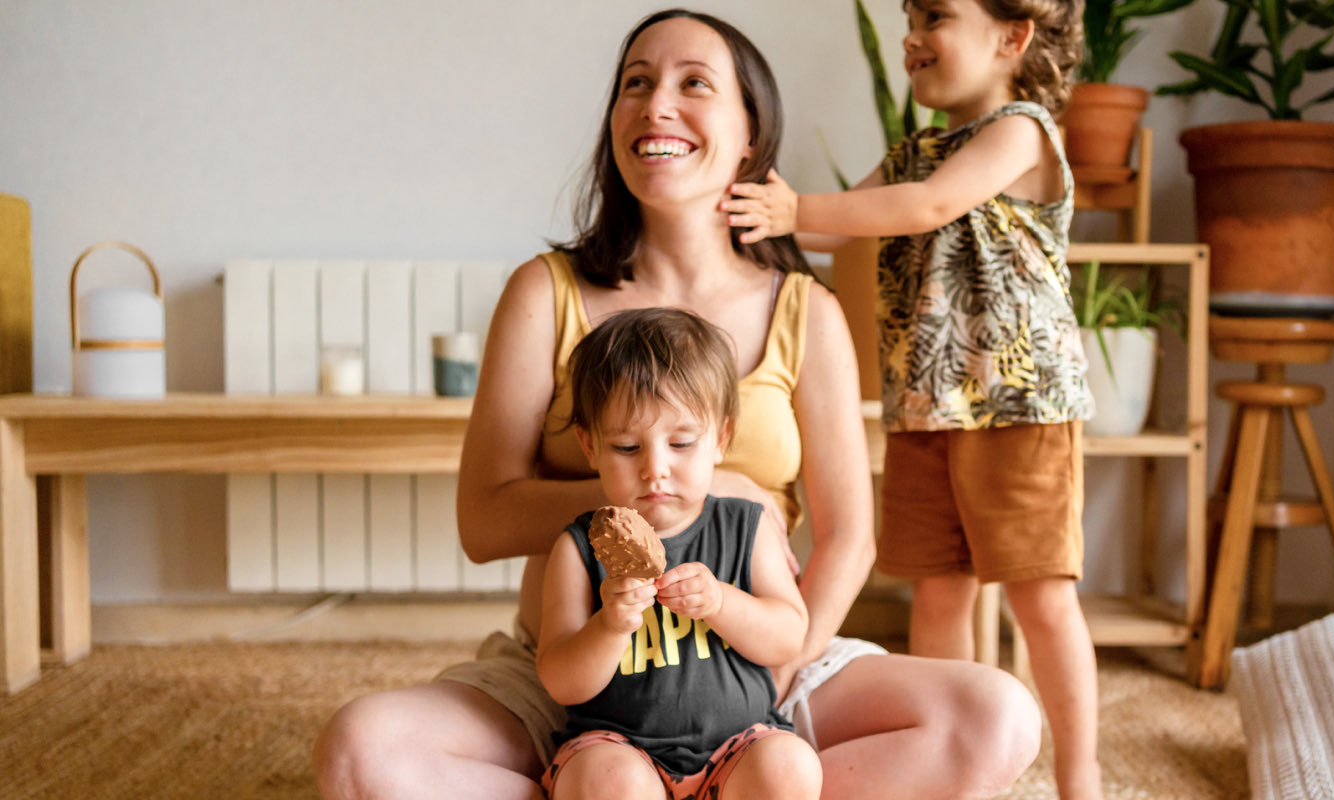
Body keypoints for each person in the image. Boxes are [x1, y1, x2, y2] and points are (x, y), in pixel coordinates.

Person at [313, 8, 1041, 800]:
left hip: (757, 659)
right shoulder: (544, 293)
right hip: (577, 674)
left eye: (694, 83)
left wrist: (759, 677)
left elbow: (848, 539)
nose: (656, 105)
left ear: (751, 133)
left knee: (998, 717)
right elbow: (483, 521)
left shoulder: (805, 310)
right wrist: (676, 496)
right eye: (635, 84)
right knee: (361, 752)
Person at [724, 0, 1101, 797]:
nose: (912, 35)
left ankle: (1082, 774)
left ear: (1011, 36)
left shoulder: (1021, 131)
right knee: (937, 589)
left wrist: (799, 208)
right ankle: (958, 748)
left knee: (1040, 596)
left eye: (936, 15)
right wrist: (757, 196)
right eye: (908, 16)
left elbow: (928, 207)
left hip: (1019, 405)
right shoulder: (912, 152)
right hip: (926, 410)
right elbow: (831, 231)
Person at [538, 307, 819, 800]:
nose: (655, 469)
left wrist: (721, 603)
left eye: (682, 442)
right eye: (627, 447)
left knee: (791, 765)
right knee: (605, 779)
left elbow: (787, 637)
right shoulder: (579, 547)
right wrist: (609, 625)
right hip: (620, 746)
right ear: (589, 446)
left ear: (721, 440)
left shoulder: (746, 528)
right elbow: (561, 680)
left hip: (738, 746)